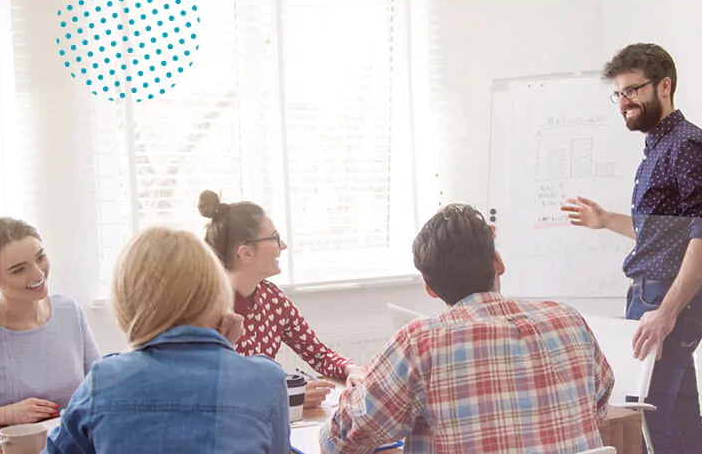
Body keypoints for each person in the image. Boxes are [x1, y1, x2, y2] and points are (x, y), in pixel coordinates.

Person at [321, 203, 614, 453]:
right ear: (498, 263)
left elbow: (344, 439)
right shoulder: (568, 319)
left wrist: (358, 393)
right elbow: (599, 400)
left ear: (430, 289)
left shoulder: (421, 343)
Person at [561, 43, 702, 453]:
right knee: (679, 414)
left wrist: (666, 313)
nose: (623, 102)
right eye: (618, 94)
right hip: (650, 295)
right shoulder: (658, 146)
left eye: (632, 91)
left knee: (655, 415)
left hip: (667, 300)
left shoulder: (687, 145)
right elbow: (665, 235)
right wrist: (605, 221)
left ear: (664, 86)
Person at [47, 227, 290, 454]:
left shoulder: (104, 381)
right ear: (216, 293)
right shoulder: (267, 381)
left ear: (127, 300)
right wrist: (224, 350)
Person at [198, 190, 364, 407]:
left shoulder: (273, 299)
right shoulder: (204, 310)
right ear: (246, 253)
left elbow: (319, 354)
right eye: (275, 238)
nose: (283, 245)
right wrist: (286, 396)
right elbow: (207, 391)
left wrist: (351, 369)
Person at [0, 217, 100, 428]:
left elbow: (99, 387)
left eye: (40, 257)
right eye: (19, 270)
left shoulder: (69, 312)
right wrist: (5, 414)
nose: (38, 274)